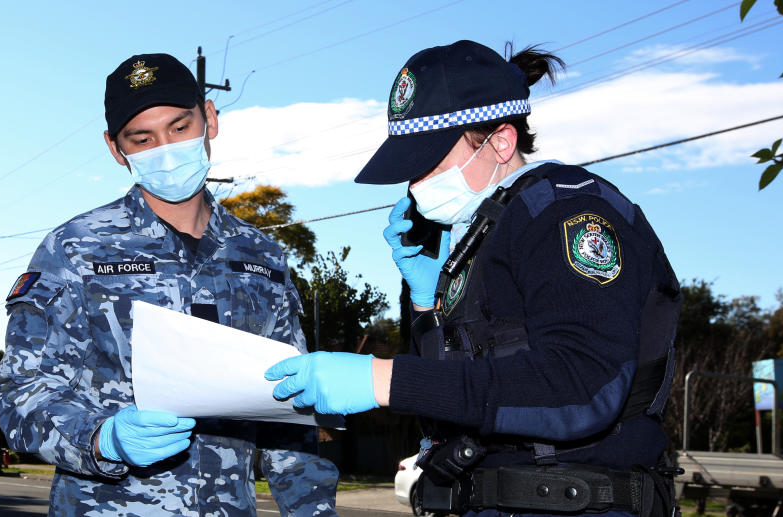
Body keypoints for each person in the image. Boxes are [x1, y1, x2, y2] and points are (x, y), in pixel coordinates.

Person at [265, 40, 682, 516]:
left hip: (578, 500)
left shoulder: (567, 212)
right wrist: (427, 308)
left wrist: (381, 378)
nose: (416, 184)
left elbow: (583, 386)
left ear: (501, 141)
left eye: (429, 162)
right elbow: (461, 394)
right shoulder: (486, 230)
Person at [0, 53, 338, 517]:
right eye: (143, 138)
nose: (167, 149)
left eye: (180, 127)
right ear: (117, 149)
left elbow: (289, 411)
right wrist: (103, 439)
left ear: (209, 119)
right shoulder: (75, 250)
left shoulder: (262, 257)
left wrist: (313, 511)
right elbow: (22, 393)